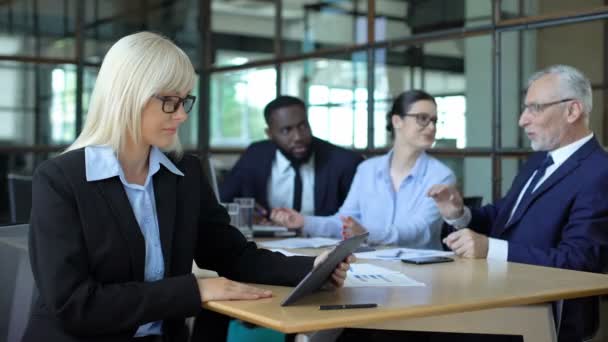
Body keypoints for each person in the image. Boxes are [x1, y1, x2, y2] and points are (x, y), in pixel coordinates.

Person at [23, 32, 352, 342]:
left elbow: (232, 254)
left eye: (185, 101)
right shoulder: (60, 180)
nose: (181, 115)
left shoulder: (184, 173)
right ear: (127, 96)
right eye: (169, 101)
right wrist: (195, 290)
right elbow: (73, 305)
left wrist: (312, 268)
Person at [428, 65, 608, 342]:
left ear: (572, 111)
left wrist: (490, 249)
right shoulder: (538, 160)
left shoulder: (600, 171)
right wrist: (460, 215)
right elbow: (503, 216)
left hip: (545, 317)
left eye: (534, 108)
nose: (523, 120)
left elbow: (580, 263)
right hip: (496, 300)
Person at [272, 90, 455, 249]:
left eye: (434, 120)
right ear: (397, 121)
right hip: (372, 268)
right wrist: (304, 222)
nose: (431, 127)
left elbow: (419, 231)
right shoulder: (367, 169)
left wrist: (366, 233)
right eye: (422, 118)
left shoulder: (441, 176)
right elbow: (344, 222)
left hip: (423, 274)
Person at [219, 95, 363, 219]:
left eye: (303, 126)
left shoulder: (344, 162)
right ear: (269, 134)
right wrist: (247, 212)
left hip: (325, 245)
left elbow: (360, 216)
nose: (298, 137)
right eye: (286, 130)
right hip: (268, 244)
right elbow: (222, 201)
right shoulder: (255, 154)